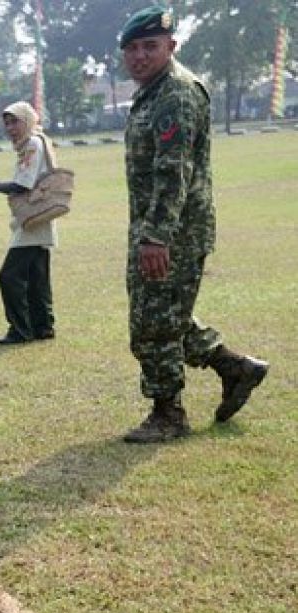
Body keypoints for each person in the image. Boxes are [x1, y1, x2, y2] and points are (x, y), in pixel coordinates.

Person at [118, 6, 269, 443]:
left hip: (171, 232)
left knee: (154, 323)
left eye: (150, 46)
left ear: (171, 46)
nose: (140, 56)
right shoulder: (153, 91)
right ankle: (235, 368)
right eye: (132, 48)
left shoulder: (176, 94)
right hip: (155, 228)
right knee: (161, 315)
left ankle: (169, 415)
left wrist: (155, 237)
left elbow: (173, 172)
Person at [0, 101, 57, 345]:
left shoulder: (32, 145)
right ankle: (43, 326)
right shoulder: (34, 143)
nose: (10, 128)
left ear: (27, 119)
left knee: (9, 276)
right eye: (6, 123)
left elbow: (23, 185)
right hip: (37, 216)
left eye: (15, 121)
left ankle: (20, 330)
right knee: (36, 276)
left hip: (32, 218)